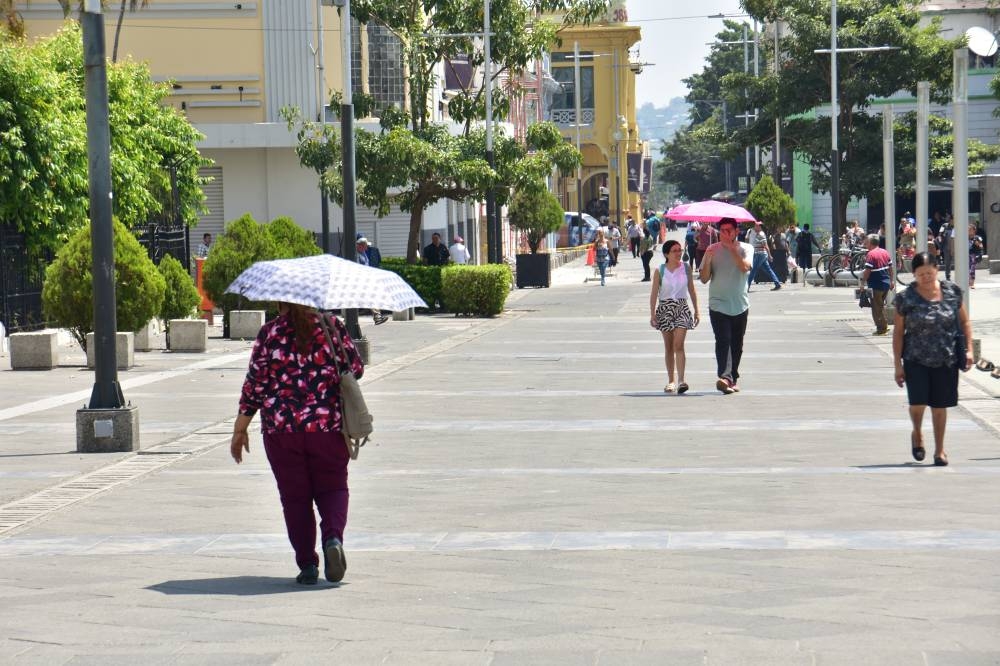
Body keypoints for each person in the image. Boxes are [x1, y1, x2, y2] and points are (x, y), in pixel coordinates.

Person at [231, 302, 365, 584]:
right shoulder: (332, 327)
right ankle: (332, 540)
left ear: (280, 302)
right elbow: (355, 368)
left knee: (295, 498)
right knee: (334, 487)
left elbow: (255, 385)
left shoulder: (270, 333)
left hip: (282, 431)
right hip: (327, 427)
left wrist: (240, 428)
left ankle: (307, 564)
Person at [892, 252, 973, 467]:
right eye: (920, 275)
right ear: (914, 275)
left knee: (940, 406)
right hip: (915, 358)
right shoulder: (905, 297)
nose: (926, 278)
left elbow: (965, 323)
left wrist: (969, 350)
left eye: (929, 273)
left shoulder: (951, 292)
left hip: (946, 358)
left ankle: (940, 450)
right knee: (917, 404)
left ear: (937, 269)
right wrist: (897, 365)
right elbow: (898, 332)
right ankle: (917, 433)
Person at [699, 218, 753, 395]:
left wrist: (732, 250)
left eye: (729, 230)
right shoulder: (712, 249)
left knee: (737, 344)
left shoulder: (746, 248)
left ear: (736, 231)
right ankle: (724, 377)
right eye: (722, 230)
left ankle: (732, 378)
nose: (725, 233)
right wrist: (707, 259)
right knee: (723, 340)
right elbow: (705, 278)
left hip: (740, 304)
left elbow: (745, 268)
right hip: (718, 303)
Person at [650, 240, 700, 394]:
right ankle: (671, 380)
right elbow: (653, 294)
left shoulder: (686, 267)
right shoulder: (660, 270)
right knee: (669, 347)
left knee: (679, 345)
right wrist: (652, 314)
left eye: (680, 250)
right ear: (666, 254)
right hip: (665, 309)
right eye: (674, 251)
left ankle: (681, 381)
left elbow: (691, 289)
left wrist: (697, 310)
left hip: (682, 308)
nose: (679, 253)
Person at [860, 233, 893, 336]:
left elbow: (867, 271)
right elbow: (890, 268)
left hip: (876, 285)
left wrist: (862, 283)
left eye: (867, 242)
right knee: (880, 305)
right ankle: (883, 325)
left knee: (876, 307)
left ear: (870, 243)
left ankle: (882, 328)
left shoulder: (871, 254)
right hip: (886, 283)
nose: (865, 243)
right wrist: (891, 281)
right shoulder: (885, 252)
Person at [745, 221, 781, 291]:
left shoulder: (761, 234)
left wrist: (770, 255)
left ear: (759, 227)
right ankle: (777, 284)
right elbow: (747, 239)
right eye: (755, 225)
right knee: (768, 269)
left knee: (753, 270)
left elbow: (766, 246)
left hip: (760, 254)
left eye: (757, 226)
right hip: (760, 254)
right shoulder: (754, 232)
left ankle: (747, 287)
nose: (755, 227)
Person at [968, 223, 984, 289]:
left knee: (972, 268)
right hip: (967, 255)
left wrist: (977, 244)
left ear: (974, 230)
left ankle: (972, 283)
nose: (968, 231)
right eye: (968, 229)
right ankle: (969, 283)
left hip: (974, 255)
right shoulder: (965, 237)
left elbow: (981, 246)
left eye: (970, 229)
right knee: (968, 269)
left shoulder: (977, 237)